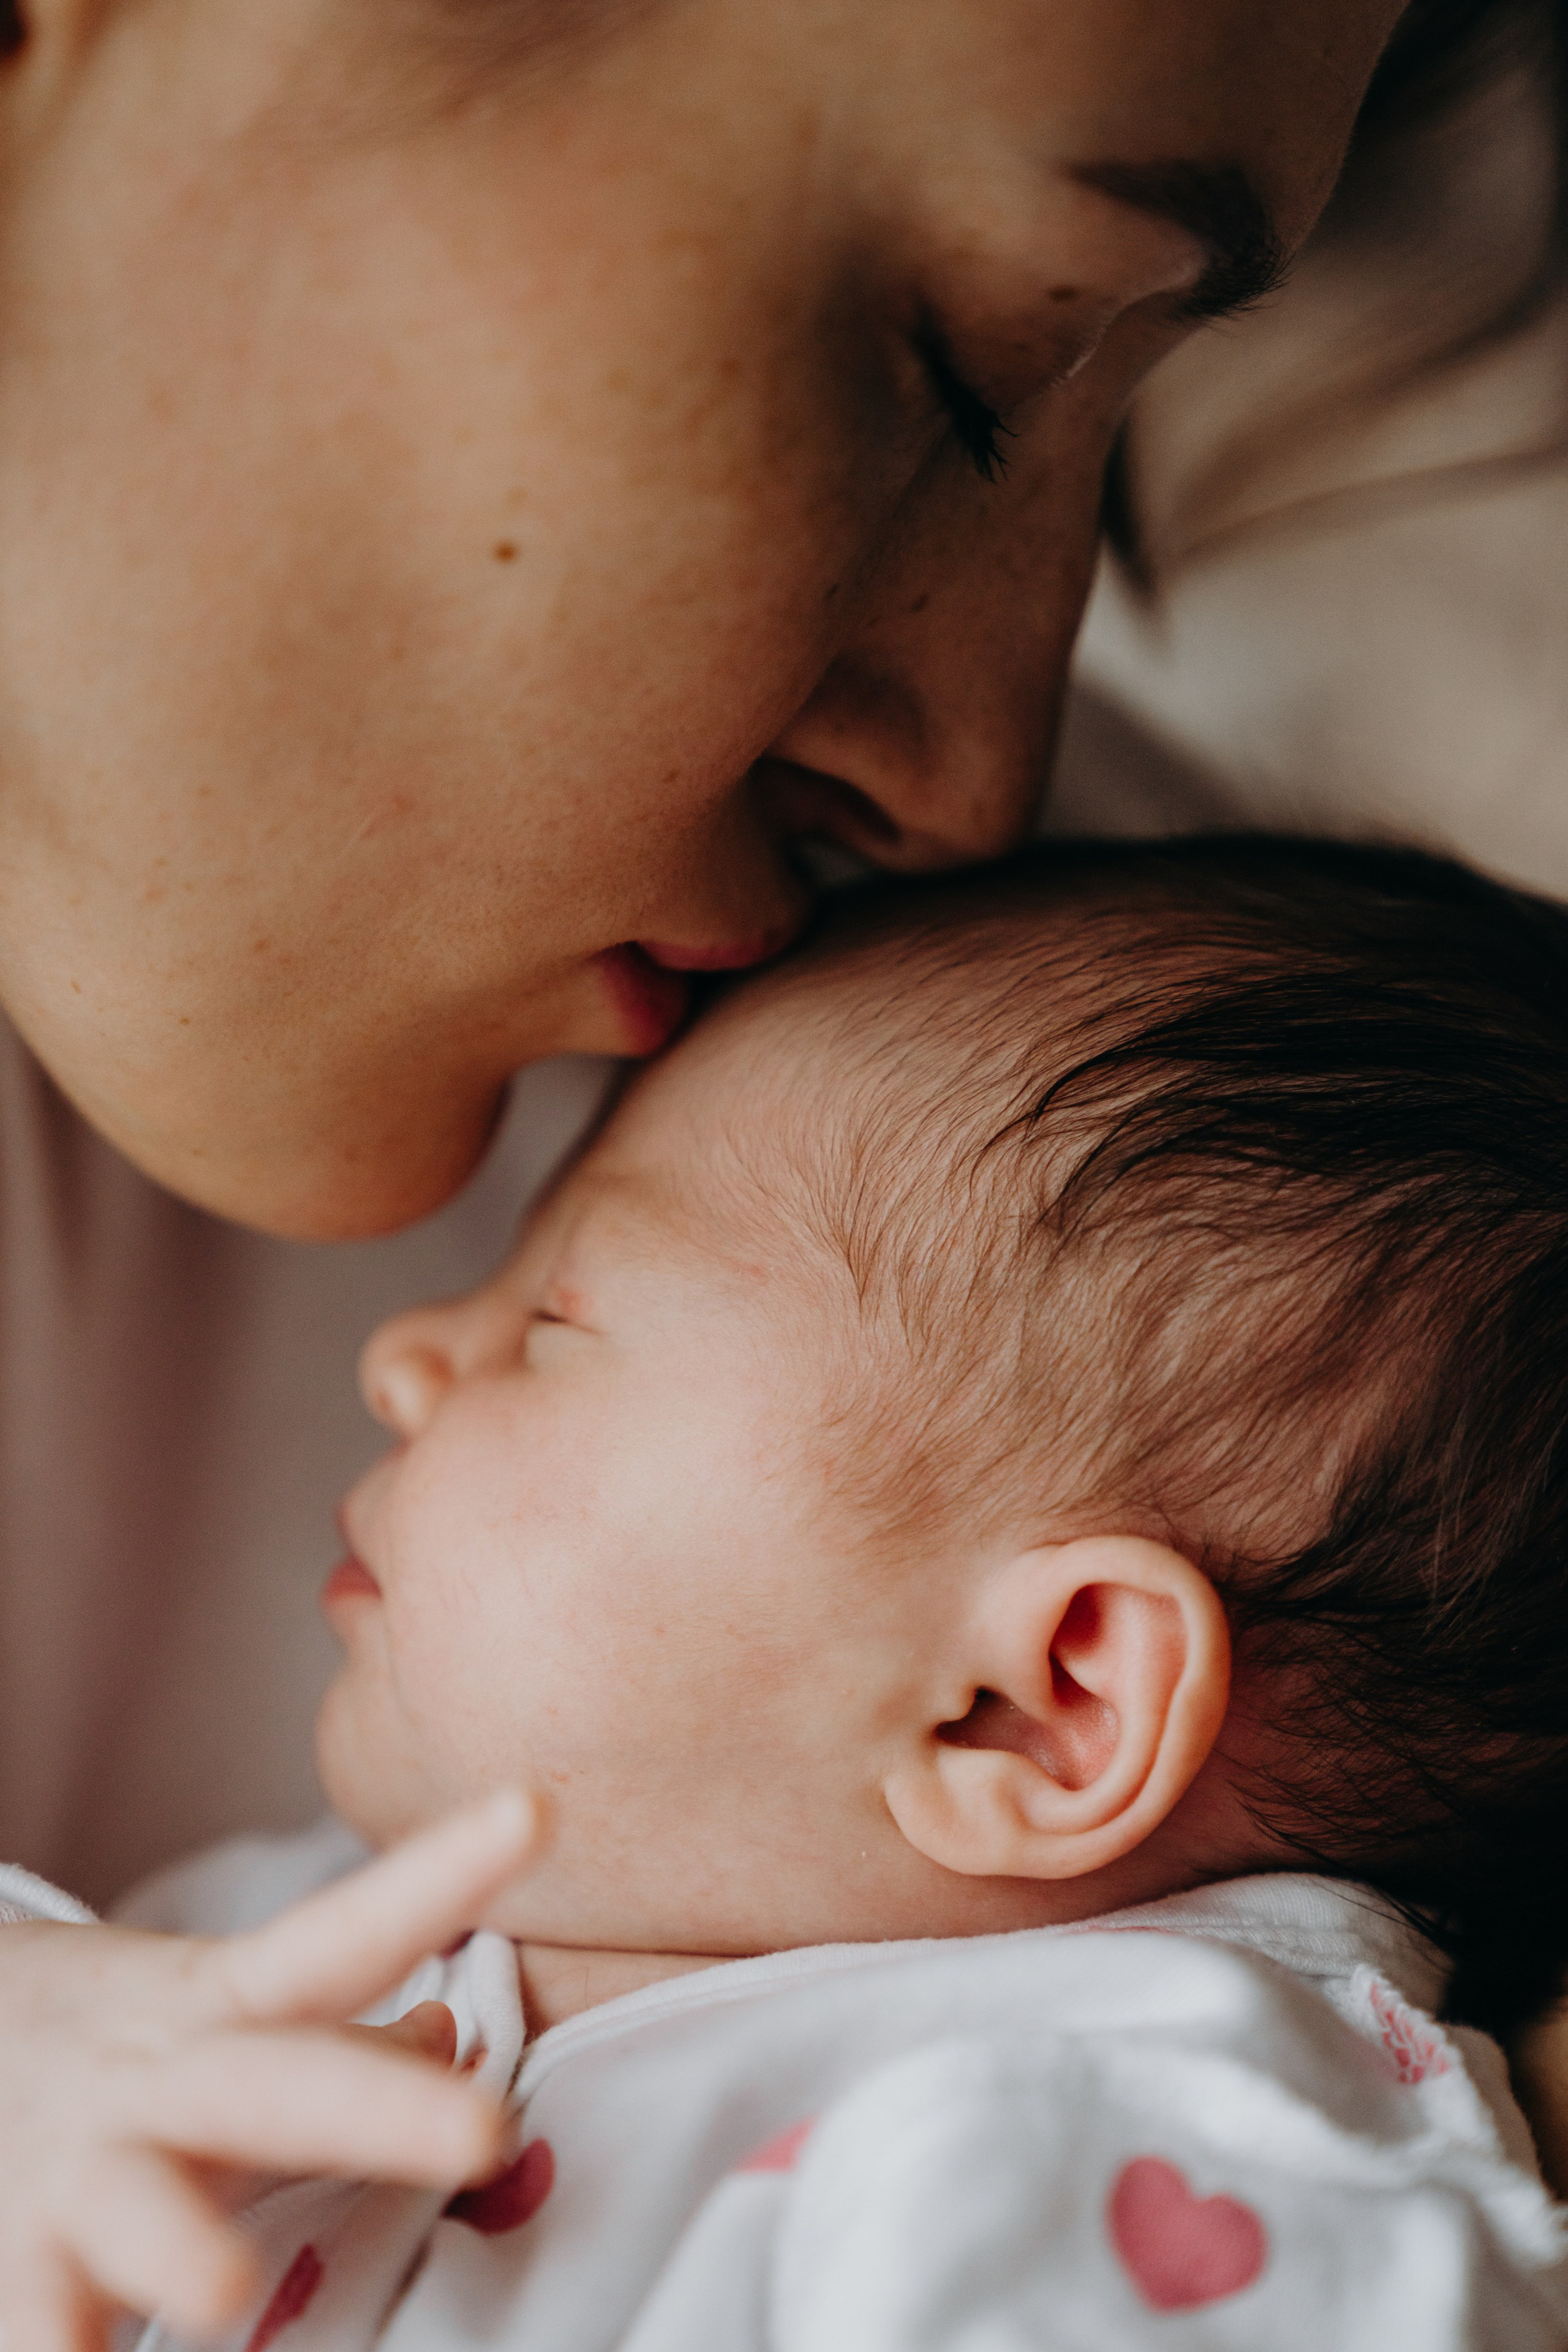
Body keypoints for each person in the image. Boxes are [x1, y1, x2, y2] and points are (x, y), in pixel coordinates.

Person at [0, 0, 1549, 2342]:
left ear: (1045, 1710)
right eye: (965, 369)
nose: (977, 773)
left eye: (1108, 472)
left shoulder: (1103, 1146)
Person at [59, 835, 1568, 2348]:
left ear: (1024, 1712)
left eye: (553, 1320)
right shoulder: (310, 1929)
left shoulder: (1107, 2144)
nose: (404, 1355)